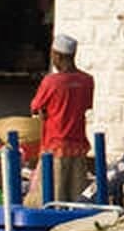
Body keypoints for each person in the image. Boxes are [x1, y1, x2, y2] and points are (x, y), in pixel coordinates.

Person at [30, 34, 94, 202]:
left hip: (54, 146)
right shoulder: (87, 80)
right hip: (78, 146)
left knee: (52, 199)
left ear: (57, 55)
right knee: (77, 200)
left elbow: (36, 107)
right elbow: (86, 106)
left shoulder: (51, 82)